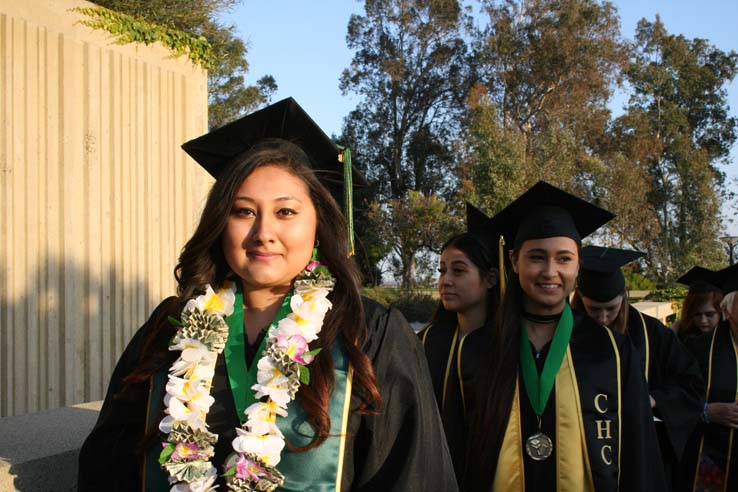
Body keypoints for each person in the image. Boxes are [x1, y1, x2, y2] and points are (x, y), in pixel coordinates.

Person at [77, 98, 458, 492]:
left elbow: (413, 475)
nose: (263, 233)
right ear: (220, 223)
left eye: (286, 212)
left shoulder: (370, 333)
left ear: (318, 223)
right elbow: (109, 465)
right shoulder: (170, 327)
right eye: (243, 211)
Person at [463, 181, 665, 492]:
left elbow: (640, 459)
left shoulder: (611, 351)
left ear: (578, 264)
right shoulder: (478, 348)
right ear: (515, 261)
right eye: (537, 257)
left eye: (563, 258)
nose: (550, 271)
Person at [572, 245, 704, 489]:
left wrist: (655, 400)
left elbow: (691, 384)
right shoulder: (566, 332)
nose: (603, 318)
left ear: (624, 295)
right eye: (594, 309)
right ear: (580, 298)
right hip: (580, 449)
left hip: (640, 449)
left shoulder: (653, 333)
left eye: (611, 309)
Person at [419, 203, 500, 482]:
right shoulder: (428, 342)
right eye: (442, 271)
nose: (446, 281)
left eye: (458, 271)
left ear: (490, 278)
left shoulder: (508, 346)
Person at [681, 263, 738, 492]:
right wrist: (706, 411)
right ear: (727, 310)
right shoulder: (696, 350)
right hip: (711, 463)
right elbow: (672, 398)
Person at [673, 266, 724, 341]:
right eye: (697, 314)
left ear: (722, 311)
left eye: (709, 314)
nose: (703, 320)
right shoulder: (681, 338)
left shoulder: (730, 339)